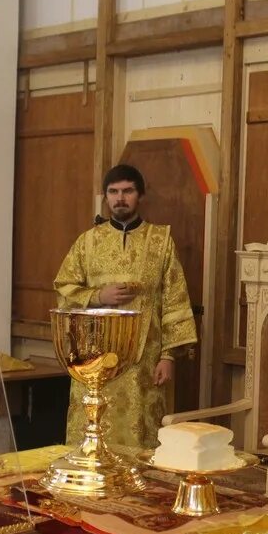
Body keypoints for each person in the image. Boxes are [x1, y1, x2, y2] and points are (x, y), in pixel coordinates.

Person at [54, 164, 197, 449]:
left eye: (128, 191)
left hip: (144, 361)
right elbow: (64, 289)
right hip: (93, 359)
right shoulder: (87, 242)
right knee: (92, 433)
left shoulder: (161, 242)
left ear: (140, 195)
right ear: (105, 197)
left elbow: (174, 299)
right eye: (114, 192)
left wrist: (168, 357)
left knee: (140, 435)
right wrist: (97, 296)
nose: (120, 198)